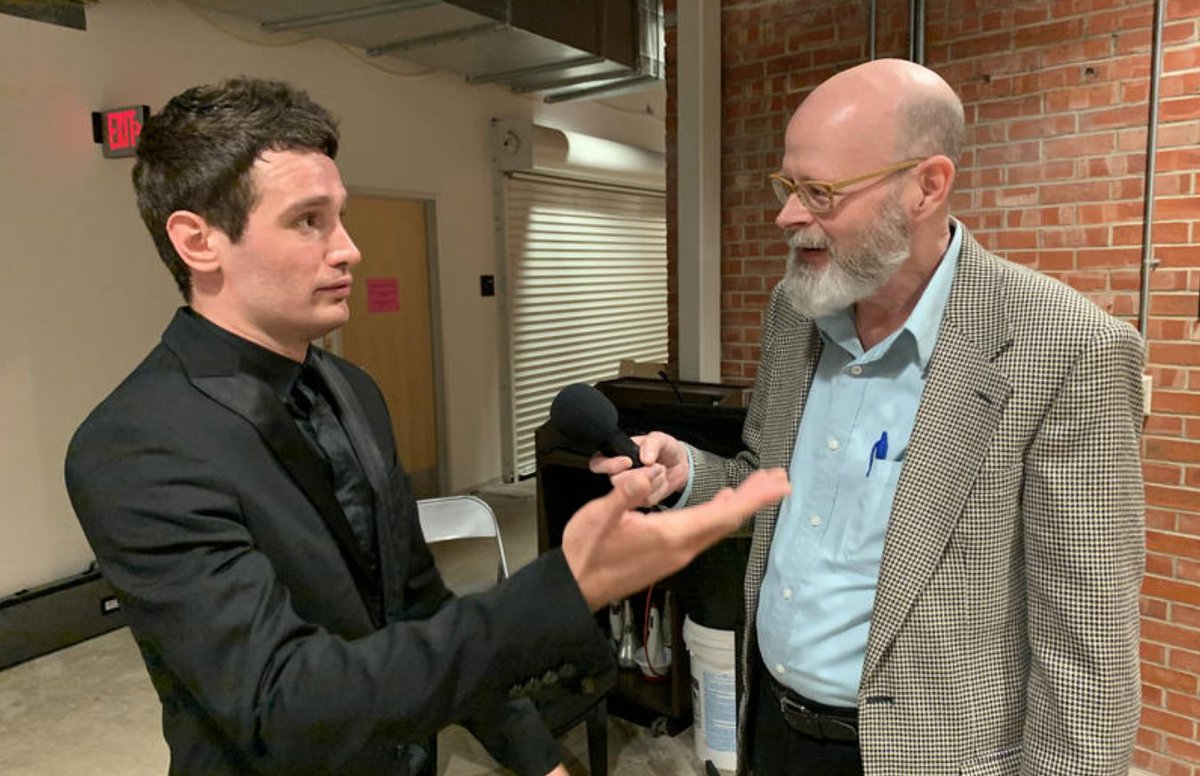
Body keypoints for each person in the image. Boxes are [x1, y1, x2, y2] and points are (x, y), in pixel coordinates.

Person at [64, 76, 789, 776]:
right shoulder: (137, 445)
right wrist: (561, 589)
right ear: (198, 242)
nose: (349, 248)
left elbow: (416, 604)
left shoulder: (352, 390)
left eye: (340, 216)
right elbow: (281, 703)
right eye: (308, 220)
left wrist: (534, 754)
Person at [593, 58, 1145, 775]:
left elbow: (1087, 649)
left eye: (820, 193)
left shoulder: (1069, 350)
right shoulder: (795, 311)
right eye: (788, 186)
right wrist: (690, 473)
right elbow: (771, 481)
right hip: (773, 728)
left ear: (927, 186)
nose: (788, 216)